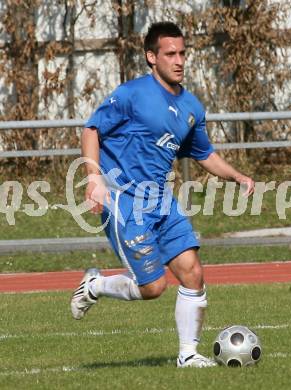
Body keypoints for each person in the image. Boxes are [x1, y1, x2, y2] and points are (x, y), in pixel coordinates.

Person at [71, 21, 254, 368]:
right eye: (170, 54)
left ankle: (188, 354)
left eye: (183, 53)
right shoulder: (132, 95)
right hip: (124, 199)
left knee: (193, 273)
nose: (179, 60)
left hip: (161, 200)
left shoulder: (191, 108)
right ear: (151, 57)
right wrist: (93, 177)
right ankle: (95, 285)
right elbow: (91, 129)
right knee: (154, 287)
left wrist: (236, 175)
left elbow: (204, 153)